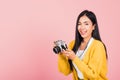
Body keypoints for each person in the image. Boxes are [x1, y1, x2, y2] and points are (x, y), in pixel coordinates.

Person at [57, 10, 108, 80]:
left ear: (93, 26)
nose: (82, 27)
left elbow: (93, 75)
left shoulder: (98, 46)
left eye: (86, 24)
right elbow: (66, 71)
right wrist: (61, 55)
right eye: (79, 24)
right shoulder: (73, 44)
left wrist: (74, 58)